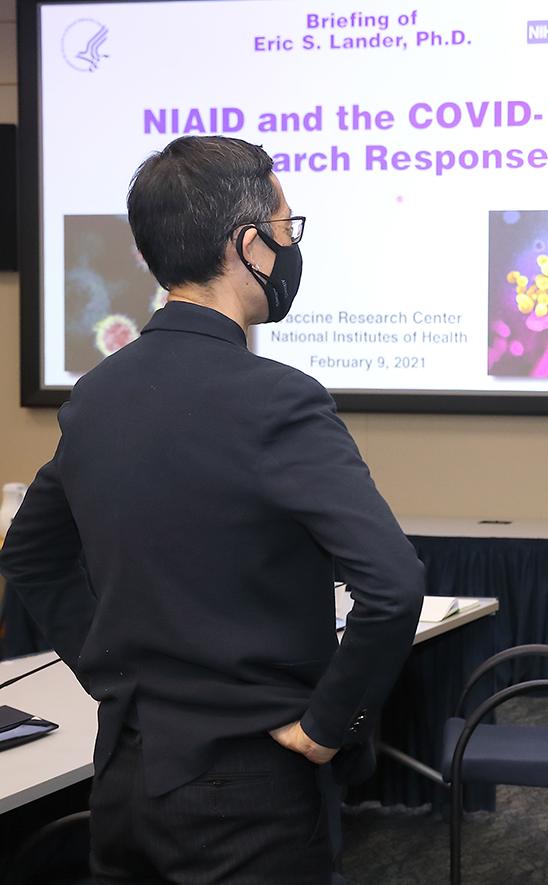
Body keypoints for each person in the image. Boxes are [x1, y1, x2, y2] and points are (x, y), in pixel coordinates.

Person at [0, 135, 426, 882]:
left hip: (126, 776)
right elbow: (393, 584)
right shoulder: (277, 398)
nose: (293, 246)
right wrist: (329, 726)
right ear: (248, 244)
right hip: (249, 792)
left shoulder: (96, 396)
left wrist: (108, 672)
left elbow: (30, 558)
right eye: (289, 227)